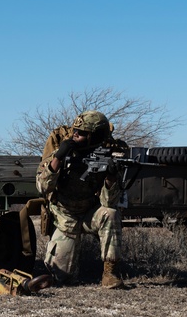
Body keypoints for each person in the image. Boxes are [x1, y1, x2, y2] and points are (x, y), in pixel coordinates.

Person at [36, 110, 126, 288]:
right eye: (75, 131)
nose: (75, 135)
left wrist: (111, 176)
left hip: (89, 213)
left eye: (82, 133)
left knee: (110, 214)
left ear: (96, 136)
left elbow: (109, 202)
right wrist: (58, 158)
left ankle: (110, 273)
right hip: (65, 218)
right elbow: (42, 187)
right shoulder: (62, 153)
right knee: (62, 278)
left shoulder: (107, 155)